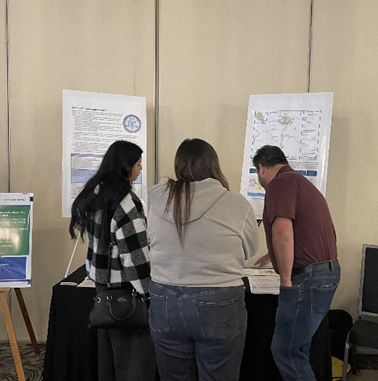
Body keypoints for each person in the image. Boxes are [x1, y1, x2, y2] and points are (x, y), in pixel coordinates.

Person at [147, 138, 259, 381]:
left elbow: (150, 241)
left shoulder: (156, 200)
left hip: (164, 299)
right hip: (219, 301)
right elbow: (250, 249)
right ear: (213, 165)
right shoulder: (237, 204)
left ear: (178, 166)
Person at [69, 140, 156, 381]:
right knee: (134, 362)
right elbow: (136, 257)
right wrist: (149, 294)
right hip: (126, 293)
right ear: (125, 167)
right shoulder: (127, 203)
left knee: (108, 360)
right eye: (138, 164)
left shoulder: (97, 194)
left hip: (102, 289)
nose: (140, 170)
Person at [252, 145, 340, 381]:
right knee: (298, 348)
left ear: (261, 168)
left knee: (286, 350)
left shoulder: (279, 184)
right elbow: (301, 229)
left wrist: (285, 279)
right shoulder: (299, 183)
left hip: (307, 278)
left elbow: (283, 232)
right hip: (326, 273)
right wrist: (272, 256)